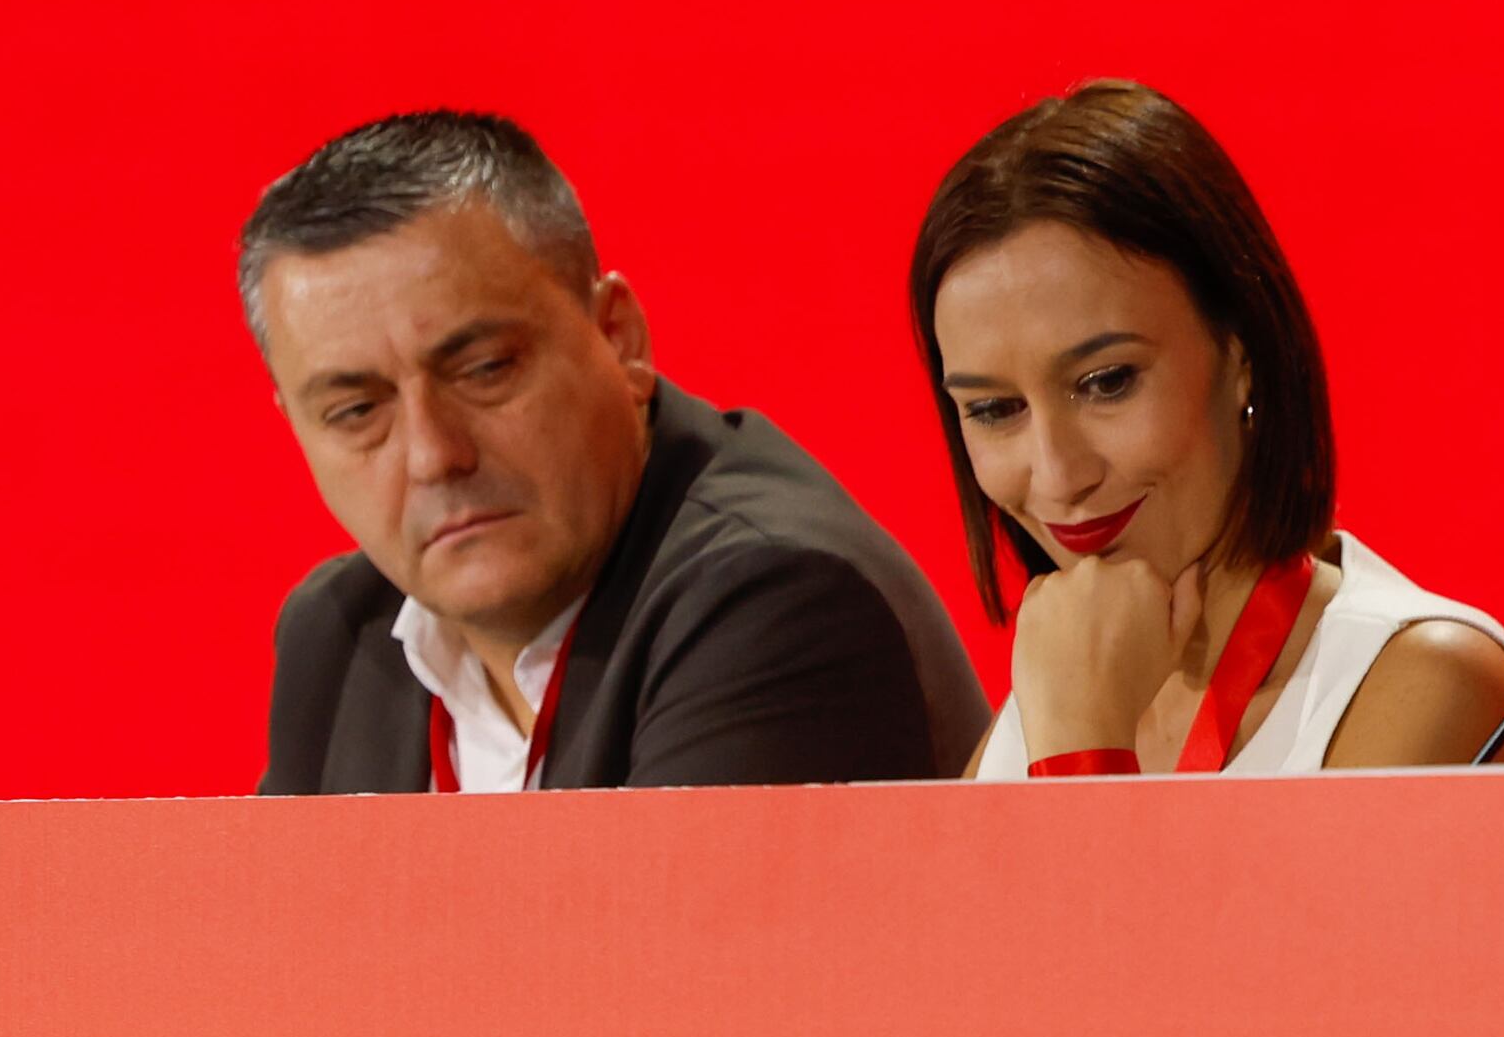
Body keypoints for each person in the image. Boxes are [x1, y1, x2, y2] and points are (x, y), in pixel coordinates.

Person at [251, 113, 986, 793]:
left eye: (484, 370)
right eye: (355, 412)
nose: (434, 456)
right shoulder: (339, 635)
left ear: (617, 337)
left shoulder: (777, 597)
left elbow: (646, 940)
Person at [923, 82, 1504, 776]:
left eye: (1107, 382)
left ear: (1242, 354)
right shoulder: (1048, 706)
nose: (1059, 474)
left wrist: (1084, 751)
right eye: (995, 410)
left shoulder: (1431, 685)